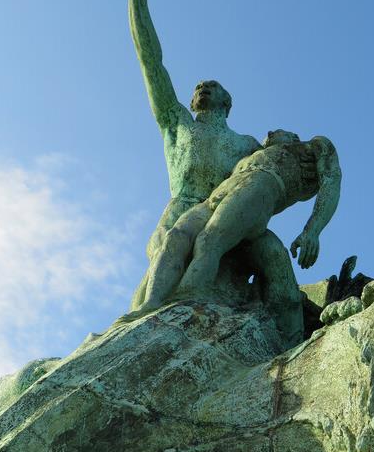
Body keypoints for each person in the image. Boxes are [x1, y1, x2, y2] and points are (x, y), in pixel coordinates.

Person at [115, 0, 310, 336]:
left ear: (227, 102)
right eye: (198, 87)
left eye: (212, 86)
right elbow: (151, 62)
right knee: (156, 284)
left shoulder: (249, 145)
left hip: (233, 224)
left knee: (275, 257)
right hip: (183, 213)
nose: (203, 87)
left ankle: (291, 340)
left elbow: (276, 180)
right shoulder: (177, 124)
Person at [134, 129, 341, 317]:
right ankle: (152, 303)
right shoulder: (250, 157)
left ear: (293, 136)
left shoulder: (313, 146)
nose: (268, 133)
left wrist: (312, 231)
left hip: (263, 184)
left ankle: (184, 301)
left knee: (209, 240)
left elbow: (332, 180)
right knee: (175, 237)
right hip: (218, 194)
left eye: (276, 131)